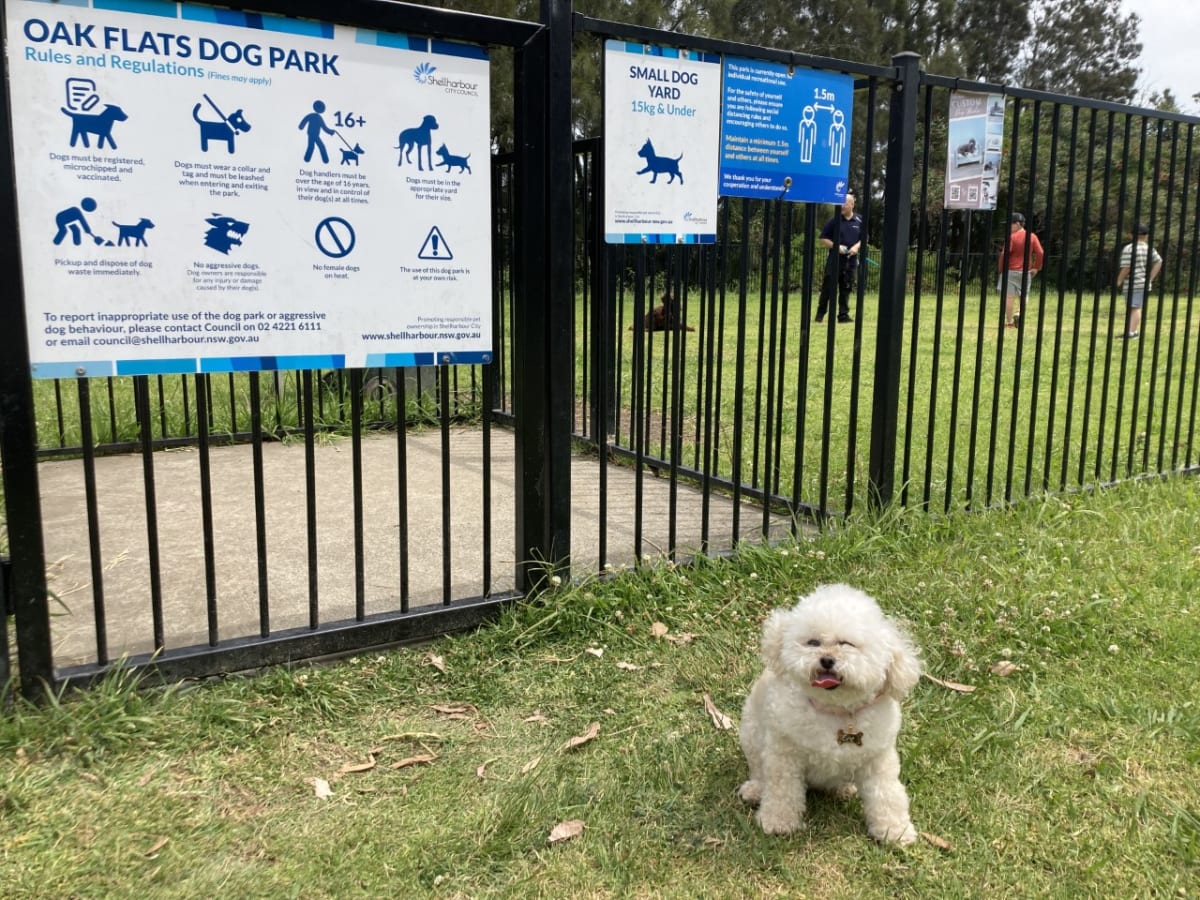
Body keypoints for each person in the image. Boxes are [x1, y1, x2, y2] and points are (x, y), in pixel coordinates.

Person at [815, 192, 863, 324]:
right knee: (827, 288)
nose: (842, 206)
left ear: (852, 205)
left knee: (846, 288)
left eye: (845, 203)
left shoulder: (860, 220)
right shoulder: (834, 220)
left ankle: (843, 315)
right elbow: (823, 238)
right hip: (834, 260)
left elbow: (864, 238)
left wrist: (856, 247)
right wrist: (837, 247)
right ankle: (820, 315)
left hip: (851, 261)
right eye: (841, 203)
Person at [1114, 222, 1162, 340]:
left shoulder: (1129, 248)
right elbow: (1159, 261)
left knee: (1134, 307)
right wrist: (1150, 278)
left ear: (1131, 235)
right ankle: (1132, 331)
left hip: (1133, 283)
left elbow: (1127, 267)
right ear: (1146, 236)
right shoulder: (1149, 248)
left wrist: (1119, 280)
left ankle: (1132, 332)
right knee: (1135, 307)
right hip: (1144, 283)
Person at [998, 212, 1043, 328]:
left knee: (1009, 297)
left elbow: (1004, 254)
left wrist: (1001, 268)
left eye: (1010, 224)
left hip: (1010, 271)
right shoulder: (1032, 236)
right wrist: (1036, 267)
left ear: (1017, 224)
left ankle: (1009, 322)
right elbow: (1040, 252)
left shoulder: (1012, 237)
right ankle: (1018, 313)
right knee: (1024, 295)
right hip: (1025, 272)